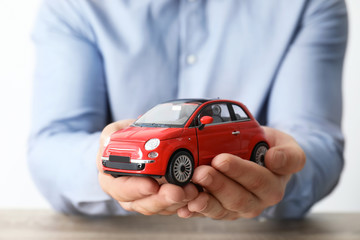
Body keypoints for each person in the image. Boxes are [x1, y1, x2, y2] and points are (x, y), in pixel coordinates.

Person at [28, 0, 347, 219]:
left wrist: (285, 175)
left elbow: (318, 142)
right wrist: (101, 169)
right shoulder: (76, 5)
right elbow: (51, 146)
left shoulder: (308, 4)